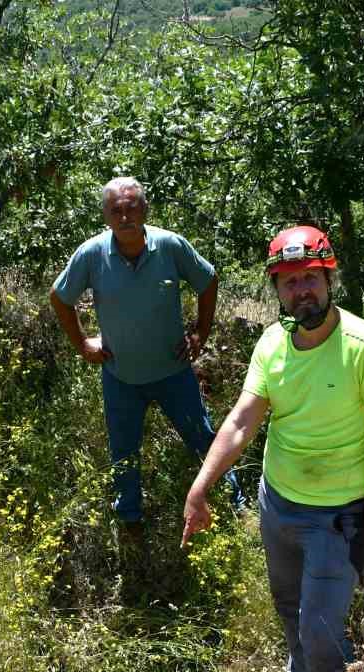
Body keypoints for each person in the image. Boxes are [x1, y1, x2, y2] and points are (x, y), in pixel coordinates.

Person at [181, 225, 364, 672]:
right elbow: (241, 422)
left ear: (329, 280)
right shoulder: (272, 344)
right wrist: (200, 487)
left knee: (320, 633)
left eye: (310, 278)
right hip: (279, 504)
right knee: (288, 606)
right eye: (290, 282)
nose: (302, 290)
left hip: (337, 517)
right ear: (278, 291)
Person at [50, 177, 239, 537]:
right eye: (116, 211)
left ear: (145, 210)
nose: (124, 217)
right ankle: (130, 520)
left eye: (131, 208)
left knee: (203, 437)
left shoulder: (169, 245)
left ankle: (235, 503)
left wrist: (200, 332)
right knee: (123, 453)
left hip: (173, 372)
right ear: (106, 216)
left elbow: (208, 280)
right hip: (120, 377)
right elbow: (60, 297)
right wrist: (83, 344)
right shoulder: (92, 254)